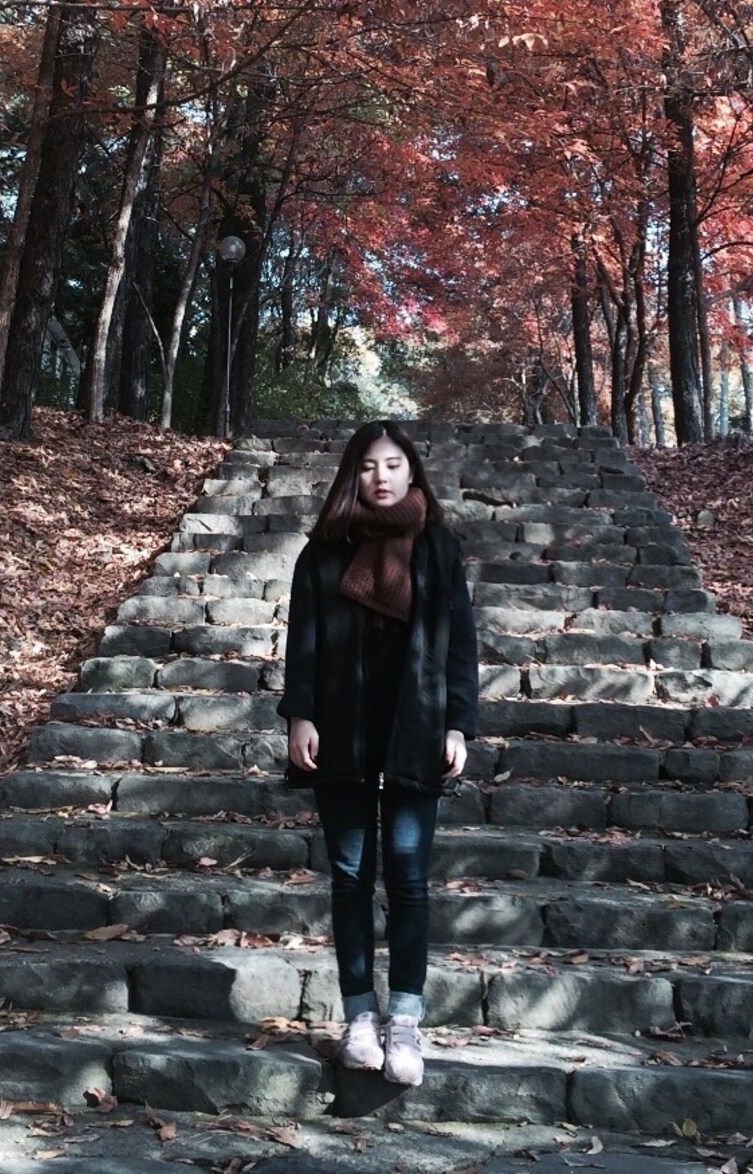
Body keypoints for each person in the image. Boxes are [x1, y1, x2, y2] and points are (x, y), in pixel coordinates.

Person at [277, 420, 479, 1087]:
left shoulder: (439, 548)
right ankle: (360, 1017)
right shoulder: (323, 552)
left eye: (393, 464)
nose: (381, 477)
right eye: (368, 466)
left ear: (412, 472)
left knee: (410, 878)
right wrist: (300, 714)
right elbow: (304, 638)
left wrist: (458, 725)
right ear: (352, 474)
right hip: (341, 728)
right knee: (351, 877)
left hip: (416, 727)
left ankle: (406, 1022)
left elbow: (460, 644)